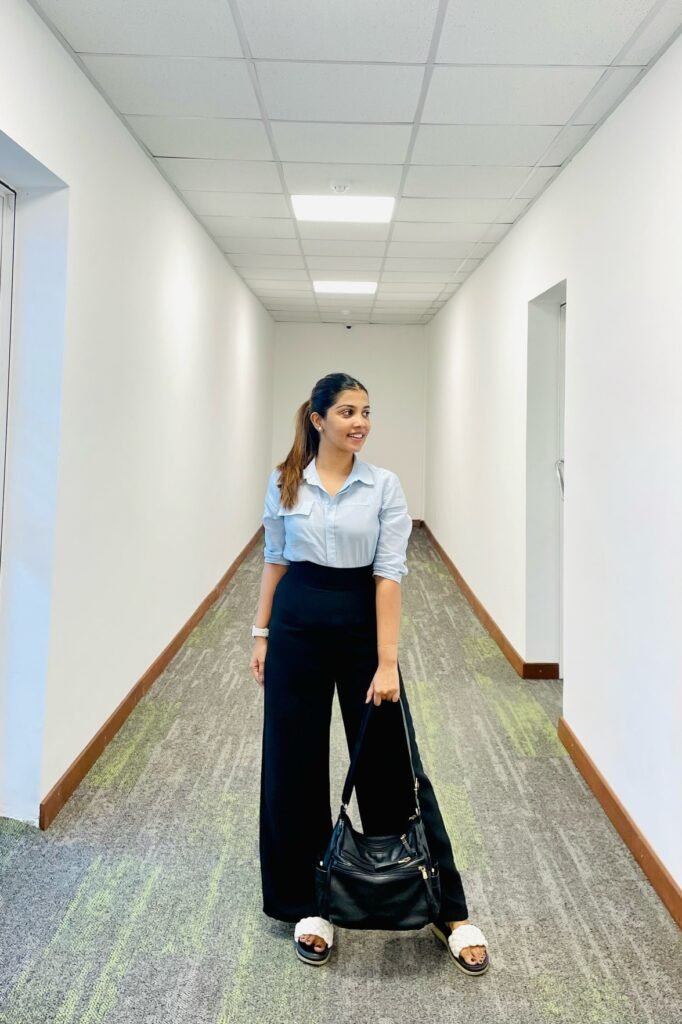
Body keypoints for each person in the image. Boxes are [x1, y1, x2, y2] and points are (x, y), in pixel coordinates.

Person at [249, 372, 490, 976]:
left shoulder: (383, 485)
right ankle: (308, 904)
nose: (359, 422)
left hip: (362, 623)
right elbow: (276, 561)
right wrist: (261, 633)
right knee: (293, 763)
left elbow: (389, 574)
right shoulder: (286, 483)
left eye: (366, 412)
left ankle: (442, 903)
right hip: (297, 622)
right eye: (348, 412)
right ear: (318, 419)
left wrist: (388, 662)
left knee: (391, 762)